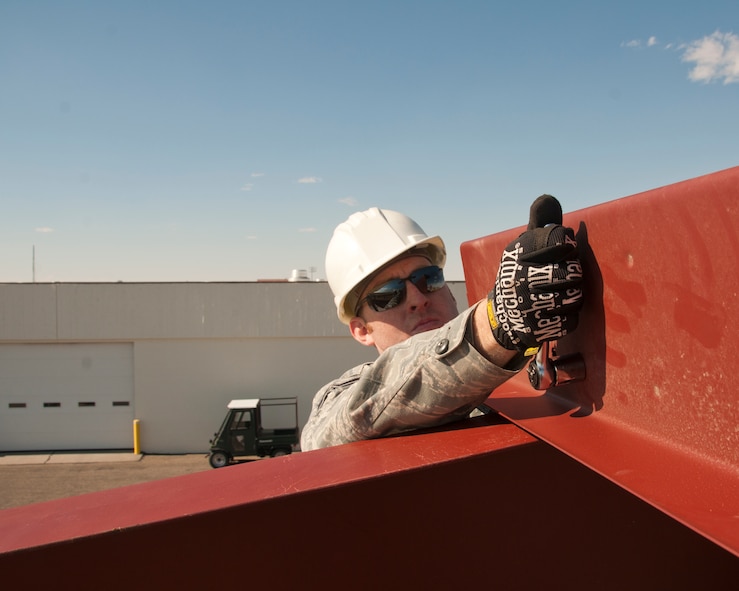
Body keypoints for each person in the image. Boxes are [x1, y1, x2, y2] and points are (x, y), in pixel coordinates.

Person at [301, 196, 583, 451]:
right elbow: (335, 430)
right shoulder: (339, 395)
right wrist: (497, 323)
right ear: (361, 330)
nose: (417, 298)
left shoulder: (525, 356)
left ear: (448, 290)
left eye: (428, 279)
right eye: (388, 295)